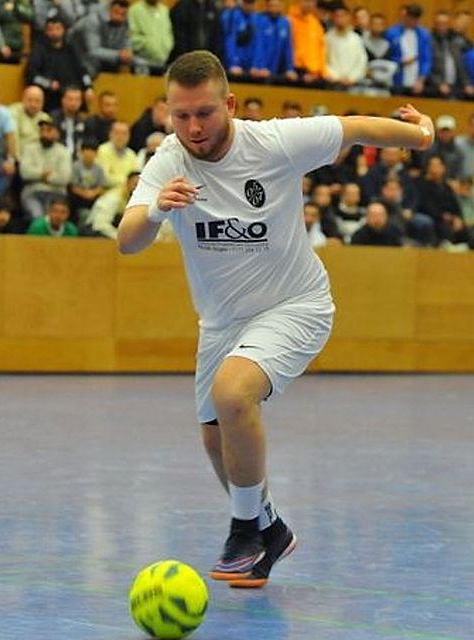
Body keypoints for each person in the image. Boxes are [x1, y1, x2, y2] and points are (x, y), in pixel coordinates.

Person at [117, 50, 435, 589]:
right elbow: (127, 241)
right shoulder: (170, 159)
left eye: (206, 114)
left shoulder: (275, 143)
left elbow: (354, 127)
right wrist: (155, 210)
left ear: (231, 105)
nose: (194, 128)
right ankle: (271, 530)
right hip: (221, 323)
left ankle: (245, 529)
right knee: (217, 443)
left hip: (296, 305)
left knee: (233, 393)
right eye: (181, 115)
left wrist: (422, 135)